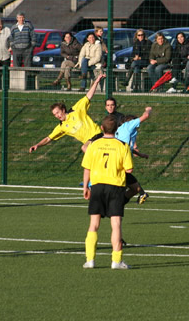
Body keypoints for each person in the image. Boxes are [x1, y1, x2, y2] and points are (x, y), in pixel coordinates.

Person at [82, 115, 134, 270]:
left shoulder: (94, 145)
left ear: (102, 128)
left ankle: (90, 260)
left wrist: (85, 187)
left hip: (97, 186)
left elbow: (87, 168)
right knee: (116, 224)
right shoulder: (122, 146)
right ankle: (116, 261)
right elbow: (129, 169)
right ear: (117, 130)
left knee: (94, 224)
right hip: (116, 187)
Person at [29, 74, 105, 154]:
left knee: (84, 148)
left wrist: (96, 82)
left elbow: (88, 96)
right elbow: (48, 138)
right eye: (55, 115)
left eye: (58, 112)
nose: (57, 116)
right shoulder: (62, 127)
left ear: (63, 110)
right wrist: (38, 145)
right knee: (87, 161)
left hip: (97, 134)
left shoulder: (76, 110)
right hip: (90, 142)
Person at [115, 107, 152, 205]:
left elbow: (128, 148)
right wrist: (148, 109)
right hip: (120, 163)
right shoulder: (128, 125)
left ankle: (119, 204)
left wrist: (140, 154)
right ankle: (115, 204)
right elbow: (146, 116)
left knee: (136, 188)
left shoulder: (126, 131)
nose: (137, 125)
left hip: (120, 162)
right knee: (127, 187)